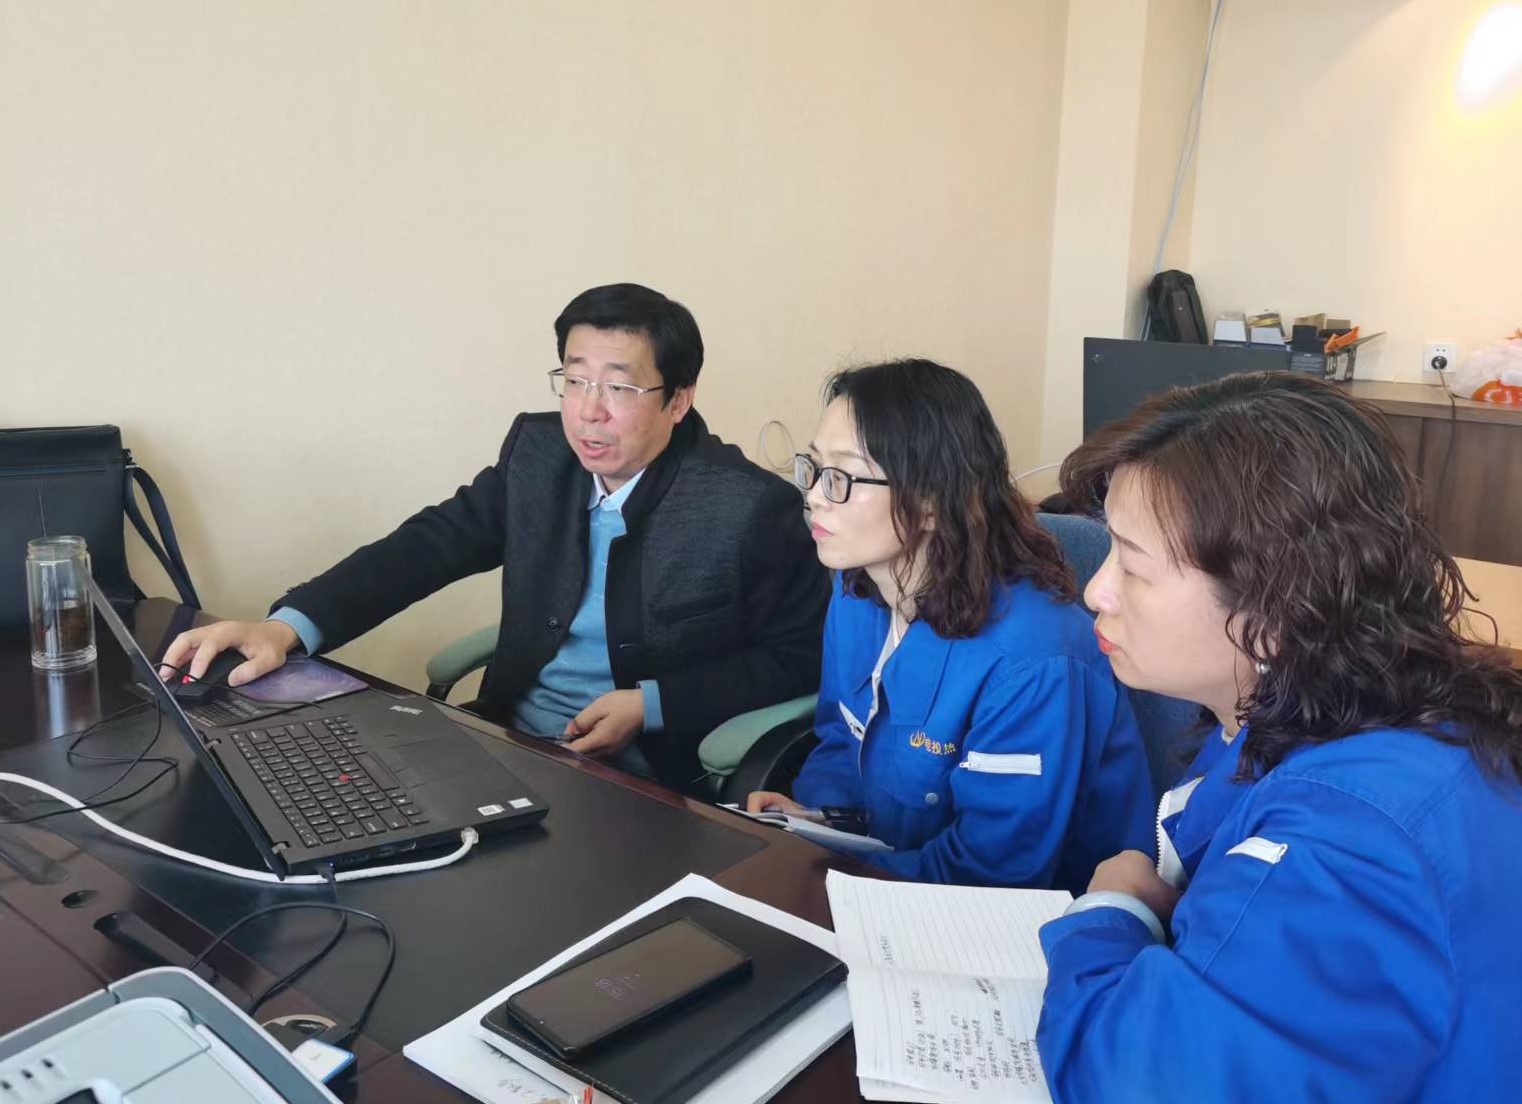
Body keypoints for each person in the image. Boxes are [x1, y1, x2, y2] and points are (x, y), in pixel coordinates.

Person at [1036, 372, 1522, 1101]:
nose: (1095, 590)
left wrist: (1111, 913)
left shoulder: (1351, 842)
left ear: (1274, 608)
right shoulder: (1323, 707)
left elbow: (1143, 1085)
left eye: (1132, 565)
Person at [160, 283, 830, 789]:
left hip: (649, 777)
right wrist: (286, 628)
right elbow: (426, 547)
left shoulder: (747, 507)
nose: (589, 411)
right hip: (514, 742)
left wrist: (652, 705)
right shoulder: (539, 456)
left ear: (678, 400)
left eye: (619, 389)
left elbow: (800, 656)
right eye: (575, 380)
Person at [747, 359, 1153, 892]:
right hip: (883, 879)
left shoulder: (1033, 663)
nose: (816, 495)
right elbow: (841, 736)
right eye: (816, 468)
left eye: (842, 476)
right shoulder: (856, 591)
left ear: (933, 502)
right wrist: (816, 821)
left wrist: (828, 875)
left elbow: (990, 873)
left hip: (1007, 916)